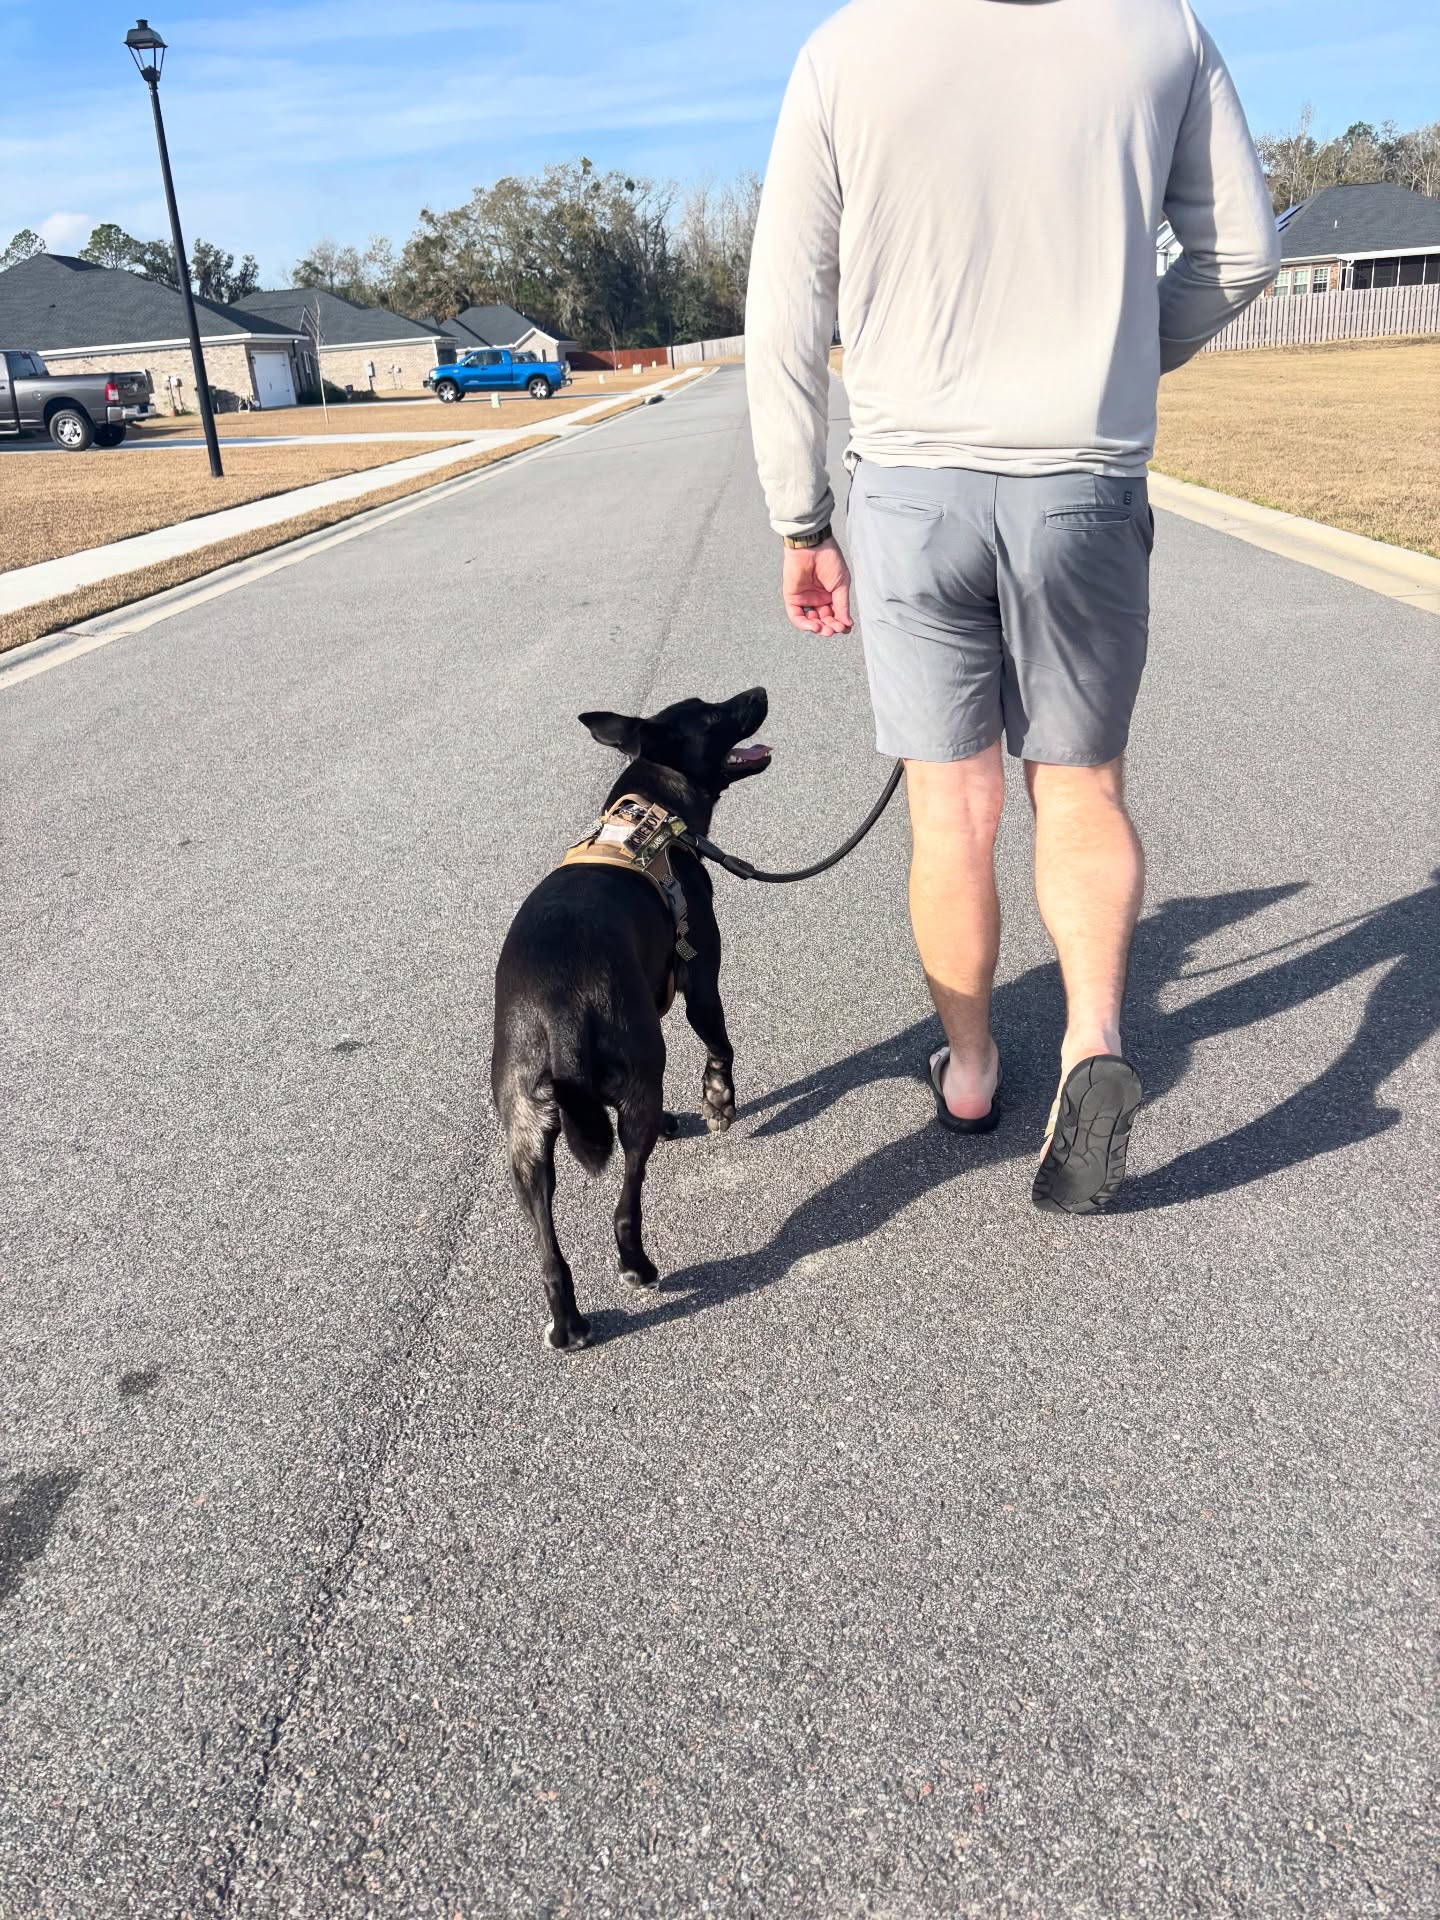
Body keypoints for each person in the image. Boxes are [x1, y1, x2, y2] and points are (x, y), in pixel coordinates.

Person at [746, 0, 1279, 1213]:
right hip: (1083, 475)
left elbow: (787, 311)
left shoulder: (844, 49)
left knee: (953, 806)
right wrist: (1127, 353)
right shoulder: (1165, 30)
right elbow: (1244, 256)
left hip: (911, 487)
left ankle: (975, 1068)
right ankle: (1092, 1040)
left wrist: (800, 516)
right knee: (1081, 787)